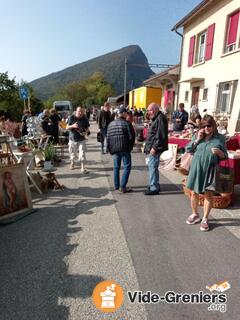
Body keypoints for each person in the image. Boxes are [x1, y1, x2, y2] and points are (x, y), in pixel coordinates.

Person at [185, 115, 228, 231]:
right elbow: (188, 149)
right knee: (194, 192)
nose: (206, 128)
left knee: (208, 194)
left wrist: (219, 153)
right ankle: (195, 214)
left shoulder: (220, 138)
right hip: (196, 167)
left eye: (209, 125)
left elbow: (225, 156)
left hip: (210, 169)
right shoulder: (198, 135)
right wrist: (198, 139)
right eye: (204, 126)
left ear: (213, 125)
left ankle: (205, 218)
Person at [107, 106, 135, 193]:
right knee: (127, 167)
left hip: (115, 149)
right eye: (126, 113)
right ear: (123, 114)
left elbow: (107, 138)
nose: (127, 114)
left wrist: (109, 148)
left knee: (116, 167)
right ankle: (122, 186)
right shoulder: (127, 124)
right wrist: (130, 147)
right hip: (125, 148)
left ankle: (116, 185)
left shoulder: (110, 124)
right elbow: (132, 137)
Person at [144, 102, 168, 195]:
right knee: (152, 166)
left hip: (155, 147)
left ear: (154, 110)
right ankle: (154, 185)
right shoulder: (157, 117)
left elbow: (160, 135)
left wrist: (154, 148)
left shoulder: (160, 118)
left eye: (149, 110)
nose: (148, 112)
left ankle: (154, 187)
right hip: (154, 146)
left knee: (152, 166)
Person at [66, 106, 90, 171]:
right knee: (72, 153)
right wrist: (72, 126)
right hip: (72, 139)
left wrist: (85, 133)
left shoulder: (85, 118)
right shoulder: (72, 117)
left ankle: (82, 167)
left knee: (82, 153)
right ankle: (72, 163)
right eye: (79, 111)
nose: (80, 113)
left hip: (81, 139)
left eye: (82, 111)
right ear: (76, 111)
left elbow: (87, 128)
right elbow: (66, 127)